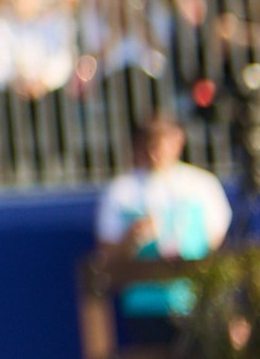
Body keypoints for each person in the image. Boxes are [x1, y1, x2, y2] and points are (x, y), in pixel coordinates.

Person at [94, 114, 232, 345]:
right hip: (147, 308)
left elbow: (216, 247)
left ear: (178, 141)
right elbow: (105, 259)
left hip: (199, 302)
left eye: (162, 143)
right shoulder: (120, 191)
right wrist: (133, 238)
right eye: (149, 144)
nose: (155, 152)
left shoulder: (203, 184)